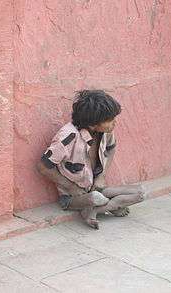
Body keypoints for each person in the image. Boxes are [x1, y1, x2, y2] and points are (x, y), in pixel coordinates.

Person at [37, 90, 144, 229]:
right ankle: (109, 205)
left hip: (96, 188)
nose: (115, 123)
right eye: (110, 120)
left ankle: (96, 209)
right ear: (94, 123)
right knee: (95, 198)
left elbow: (111, 149)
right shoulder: (68, 137)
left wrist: (101, 176)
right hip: (73, 197)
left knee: (140, 193)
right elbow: (42, 166)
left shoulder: (106, 132)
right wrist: (71, 187)